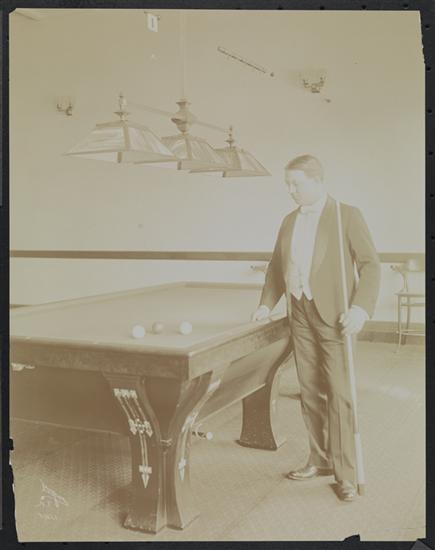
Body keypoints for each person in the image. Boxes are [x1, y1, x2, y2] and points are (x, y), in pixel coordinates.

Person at [252, 155, 380, 502]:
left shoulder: (346, 215)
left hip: (336, 317)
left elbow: (371, 266)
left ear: (317, 181)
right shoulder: (289, 220)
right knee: (309, 389)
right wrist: (266, 304)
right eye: (288, 184)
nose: (290, 190)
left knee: (339, 392)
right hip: (300, 313)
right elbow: (276, 269)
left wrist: (360, 308)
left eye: (296, 184)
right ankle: (320, 459)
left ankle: (346, 473)